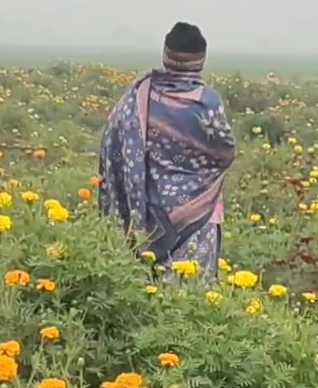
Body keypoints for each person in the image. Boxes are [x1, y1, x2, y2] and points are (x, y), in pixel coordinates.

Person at [98, 22, 237, 279]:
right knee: (192, 300)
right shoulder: (206, 103)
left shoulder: (138, 96)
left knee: (146, 294)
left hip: (146, 217)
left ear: (165, 56)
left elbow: (113, 144)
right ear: (201, 61)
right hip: (197, 217)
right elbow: (225, 153)